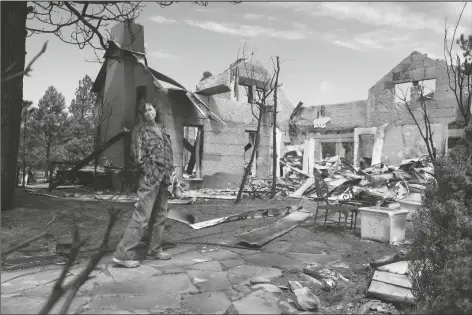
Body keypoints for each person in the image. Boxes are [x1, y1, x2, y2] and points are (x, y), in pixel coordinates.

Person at [112, 100, 175, 268]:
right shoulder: (141, 131)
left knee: (160, 216)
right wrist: (151, 172)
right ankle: (122, 254)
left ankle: (155, 249)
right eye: (145, 111)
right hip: (150, 180)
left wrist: (170, 174)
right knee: (142, 217)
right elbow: (139, 157)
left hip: (164, 179)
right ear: (142, 114)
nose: (148, 112)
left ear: (155, 109)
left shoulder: (162, 130)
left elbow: (169, 154)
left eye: (150, 109)